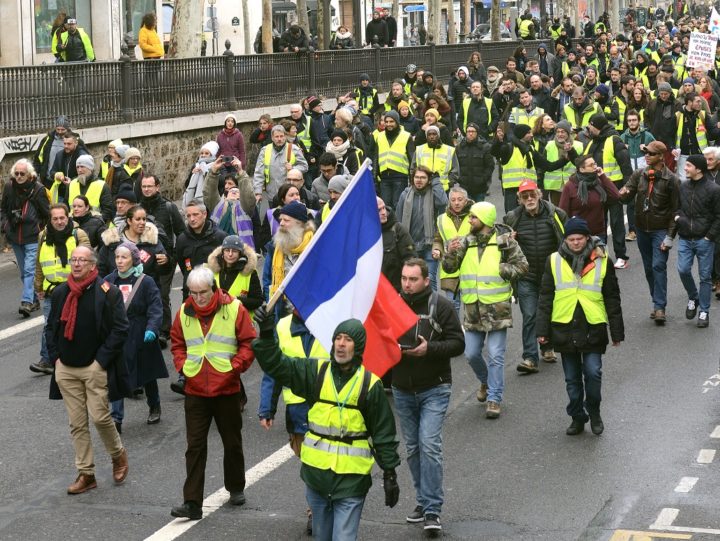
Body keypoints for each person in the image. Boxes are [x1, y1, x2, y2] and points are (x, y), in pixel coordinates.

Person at [252, 311, 401, 540]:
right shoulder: (315, 373)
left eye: (348, 340)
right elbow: (278, 366)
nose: (341, 344)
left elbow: (383, 433)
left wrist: (390, 475)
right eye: (338, 338)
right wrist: (266, 332)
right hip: (317, 478)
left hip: (352, 481)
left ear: (358, 346)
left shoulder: (370, 386)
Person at [169, 267, 256, 520]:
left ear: (214, 288)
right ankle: (192, 503)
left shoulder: (234, 309)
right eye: (193, 293)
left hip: (226, 388)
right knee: (194, 446)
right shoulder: (185, 311)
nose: (198, 298)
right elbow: (177, 343)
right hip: (195, 389)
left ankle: (236, 486)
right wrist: (183, 366)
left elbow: (248, 342)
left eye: (203, 293)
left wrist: (234, 368)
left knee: (232, 441)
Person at [45, 246, 130, 494]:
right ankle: (86, 473)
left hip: (94, 367)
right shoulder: (62, 292)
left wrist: (101, 361)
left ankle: (118, 454)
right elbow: (50, 328)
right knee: (77, 424)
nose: (77, 264)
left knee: (101, 417)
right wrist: (56, 359)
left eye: (82, 260)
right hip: (66, 369)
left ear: (93, 265)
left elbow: (120, 329)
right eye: (74, 260)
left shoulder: (108, 292)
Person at [394, 258, 464, 533]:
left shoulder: (441, 306)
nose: (407, 284)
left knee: (429, 445)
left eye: (413, 279)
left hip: (434, 387)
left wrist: (429, 349)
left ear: (425, 280)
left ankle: (433, 510)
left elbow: (458, 343)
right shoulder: (393, 305)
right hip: (402, 388)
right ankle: (422, 501)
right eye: (404, 278)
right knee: (412, 448)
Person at [536, 217, 624, 436]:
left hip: (592, 326)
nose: (575, 243)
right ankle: (577, 416)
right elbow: (545, 297)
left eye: (579, 239)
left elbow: (612, 297)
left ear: (587, 238)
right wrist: (541, 331)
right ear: (565, 239)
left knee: (593, 373)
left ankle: (594, 411)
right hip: (564, 327)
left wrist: (616, 332)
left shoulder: (603, 261)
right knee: (572, 380)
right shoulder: (554, 260)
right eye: (571, 239)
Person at [442, 202, 528, 418]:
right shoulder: (465, 242)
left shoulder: (504, 241)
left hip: (498, 308)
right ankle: (486, 381)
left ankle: (494, 399)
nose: (469, 221)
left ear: (485, 220)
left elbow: (522, 266)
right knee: (471, 354)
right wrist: (449, 254)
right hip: (473, 308)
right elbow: (449, 268)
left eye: (473, 217)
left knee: (496, 355)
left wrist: (503, 269)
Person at [503, 180, 567, 373]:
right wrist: (508, 240)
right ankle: (530, 358)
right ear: (519, 199)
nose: (529, 198)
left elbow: (568, 240)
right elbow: (501, 246)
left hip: (551, 276)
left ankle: (547, 347)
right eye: (524, 196)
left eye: (532, 194)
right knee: (530, 315)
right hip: (526, 276)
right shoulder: (512, 218)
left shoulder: (556, 214)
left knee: (549, 313)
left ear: (539, 194)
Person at [105, 242, 168, 433]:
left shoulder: (145, 281)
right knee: (116, 375)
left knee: (146, 372)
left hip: (140, 332)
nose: (120, 261)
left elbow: (155, 307)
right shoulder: (108, 282)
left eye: (124, 257)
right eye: (117, 257)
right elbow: (101, 308)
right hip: (118, 334)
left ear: (133, 258)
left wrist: (152, 328)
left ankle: (154, 405)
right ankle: (116, 417)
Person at [619, 141, 679, 323]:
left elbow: (677, 212)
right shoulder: (639, 174)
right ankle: (656, 301)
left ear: (661, 156)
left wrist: (670, 237)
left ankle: (660, 307)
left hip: (660, 230)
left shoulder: (672, 180)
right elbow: (624, 197)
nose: (647, 156)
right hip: (642, 229)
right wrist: (624, 191)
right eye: (646, 153)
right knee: (648, 268)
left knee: (657, 266)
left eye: (651, 154)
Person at [30, 203, 91, 375]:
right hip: (52, 291)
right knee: (50, 325)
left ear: (68, 216)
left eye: (62, 218)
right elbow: (39, 263)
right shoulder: (43, 236)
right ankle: (47, 359)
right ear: (50, 220)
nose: (59, 221)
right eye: (55, 218)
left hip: (75, 289)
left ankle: (80, 356)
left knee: (78, 324)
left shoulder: (78, 234)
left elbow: (89, 261)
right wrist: (39, 285)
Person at [139, 174, 185, 347]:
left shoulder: (168, 207)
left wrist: (173, 256)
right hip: (143, 259)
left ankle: (164, 331)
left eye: (150, 186)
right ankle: (147, 326)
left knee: (162, 294)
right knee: (146, 293)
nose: (146, 189)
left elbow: (181, 232)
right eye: (144, 186)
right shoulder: (138, 208)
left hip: (165, 259)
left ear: (157, 187)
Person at [674, 156, 720, 328]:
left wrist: (709, 236)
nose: (685, 168)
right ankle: (694, 296)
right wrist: (678, 218)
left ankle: (704, 312)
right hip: (685, 238)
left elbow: (718, 216)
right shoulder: (683, 186)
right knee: (683, 270)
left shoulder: (714, 189)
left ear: (699, 169)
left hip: (704, 240)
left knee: (705, 277)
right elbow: (677, 207)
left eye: (688, 165)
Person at [583, 114, 633, 268]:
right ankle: (601, 253)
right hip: (597, 189)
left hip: (613, 188)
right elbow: (583, 163)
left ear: (596, 126)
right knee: (599, 223)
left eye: (590, 125)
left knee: (617, 223)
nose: (588, 128)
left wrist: (627, 186)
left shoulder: (614, 140)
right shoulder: (592, 142)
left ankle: (621, 257)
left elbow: (626, 166)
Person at [2, 159, 50, 317]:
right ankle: (34, 299)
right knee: (23, 272)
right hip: (15, 236)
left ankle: (27, 301)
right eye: (16, 173)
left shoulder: (38, 190)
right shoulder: (9, 187)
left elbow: (47, 214)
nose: (19, 176)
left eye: (22, 173)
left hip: (32, 237)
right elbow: (2, 209)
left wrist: (38, 228)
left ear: (30, 175)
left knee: (30, 270)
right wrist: (4, 225)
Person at [396, 167, 448, 292]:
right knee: (411, 282)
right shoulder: (405, 195)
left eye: (423, 177)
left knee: (430, 280)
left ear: (429, 180)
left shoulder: (434, 195)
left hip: (430, 245)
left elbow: (443, 202)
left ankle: (432, 310)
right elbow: (398, 219)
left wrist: (436, 181)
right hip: (410, 246)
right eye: (417, 177)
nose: (419, 180)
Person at [262, 201, 314, 319]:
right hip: (281, 314)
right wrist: (271, 308)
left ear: (300, 224)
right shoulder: (274, 247)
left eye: (286, 220)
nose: (281, 223)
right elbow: (267, 280)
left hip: (307, 313)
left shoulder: (314, 247)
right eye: (281, 220)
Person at [98, 205, 168, 288]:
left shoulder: (151, 240)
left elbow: (163, 271)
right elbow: (101, 270)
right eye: (138, 219)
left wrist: (165, 261)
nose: (142, 222)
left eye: (144, 219)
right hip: (116, 292)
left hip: (144, 292)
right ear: (129, 221)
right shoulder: (112, 241)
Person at [560, 154, 621, 240]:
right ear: (582, 169)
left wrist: (603, 176)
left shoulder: (599, 182)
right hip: (578, 236)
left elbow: (616, 196)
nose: (595, 167)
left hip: (598, 234)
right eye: (591, 165)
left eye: (595, 163)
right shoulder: (570, 186)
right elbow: (563, 212)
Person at [432, 186, 472, 313]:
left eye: (460, 199)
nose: (456, 203)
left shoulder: (475, 216)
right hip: (449, 269)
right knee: (452, 307)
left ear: (466, 201)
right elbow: (438, 239)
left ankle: (468, 332)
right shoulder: (441, 219)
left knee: (470, 309)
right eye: (453, 200)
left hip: (471, 269)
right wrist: (438, 249)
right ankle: (455, 332)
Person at [206, 235, 263, 315]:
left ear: (240, 253)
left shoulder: (251, 273)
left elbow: (258, 301)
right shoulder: (212, 270)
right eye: (227, 250)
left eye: (234, 251)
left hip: (242, 322)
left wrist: (235, 300)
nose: (230, 254)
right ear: (222, 252)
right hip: (218, 320)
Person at [253, 125, 309, 206]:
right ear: (272, 137)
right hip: (272, 195)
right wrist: (258, 192)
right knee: (274, 216)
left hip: (289, 195)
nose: (279, 139)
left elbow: (305, 166)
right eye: (276, 136)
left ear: (285, 136)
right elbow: (259, 172)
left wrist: (293, 168)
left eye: (281, 136)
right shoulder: (265, 151)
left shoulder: (294, 149)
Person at [491, 124, 537, 213]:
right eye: (528, 133)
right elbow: (495, 152)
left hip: (529, 189)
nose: (531, 135)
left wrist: (567, 158)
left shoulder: (530, 149)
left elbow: (547, 165)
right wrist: (498, 140)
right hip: (512, 191)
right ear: (521, 134)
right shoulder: (508, 148)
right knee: (513, 218)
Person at [374, 111, 414, 209]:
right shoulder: (379, 136)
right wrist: (375, 175)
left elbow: (412, 158)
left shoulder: (406, 136)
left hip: (400, 176)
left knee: (398, 205)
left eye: (391, 121)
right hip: (384, 177)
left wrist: (412, 178)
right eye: (386, 121)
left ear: (397, 122)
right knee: (385, 206)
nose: (388, 124)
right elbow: (376, 157)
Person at [378, 196, 415, 291]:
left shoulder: (398, 230)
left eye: (384, 208)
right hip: (373, 292)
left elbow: (410, 259)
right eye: (379, 210)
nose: (383, 212)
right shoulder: (362, 233)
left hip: (395, 290)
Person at [63, 155, 114, 223]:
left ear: (90, 168)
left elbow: (108, 211)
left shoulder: (102, 185)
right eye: (77, 167)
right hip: (73, 225)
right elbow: (65, 206)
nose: (79, 170)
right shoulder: (72, 184)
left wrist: (96, 223)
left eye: (82, 166)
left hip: (94, 226)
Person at [455, 123, 494, 202]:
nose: (470, 133)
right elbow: (455, 165)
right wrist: (459, 179)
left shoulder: (485, 147)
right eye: (468, 131)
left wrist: (483, 179)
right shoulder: (459, 147)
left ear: (477, 133)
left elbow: (490, 166)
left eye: (473, 131)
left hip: (480, 188)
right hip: (464, 188)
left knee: (478, 212)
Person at [48, 132, 89, 203]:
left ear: (76, 143)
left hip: (78, 194)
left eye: (69, 144)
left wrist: (72, 181)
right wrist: (56, 175)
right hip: (61, 194)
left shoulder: (82, 156)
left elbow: (87, 176)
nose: (66, 146)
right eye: (64, 143)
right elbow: (52, 172)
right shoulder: (59, 155)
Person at [33, 115, 72, 186]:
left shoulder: (74, 141)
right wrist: (35, 174)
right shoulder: (47, 140)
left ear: (68, 129)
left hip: (65, 182)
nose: (60, 132)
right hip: (48, 181)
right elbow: (38, 159)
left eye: (63, 130)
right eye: (58, 129)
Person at [183, 141, 219, 208]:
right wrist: (192, 174)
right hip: (194, 200)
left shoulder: (217, 166)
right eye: (201, 153)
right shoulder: (196, 165)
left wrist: (206, 173)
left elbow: (219, 184)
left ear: (212, 155)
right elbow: (186, 185)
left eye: (206, 153)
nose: (203, 155)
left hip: (209, 200)